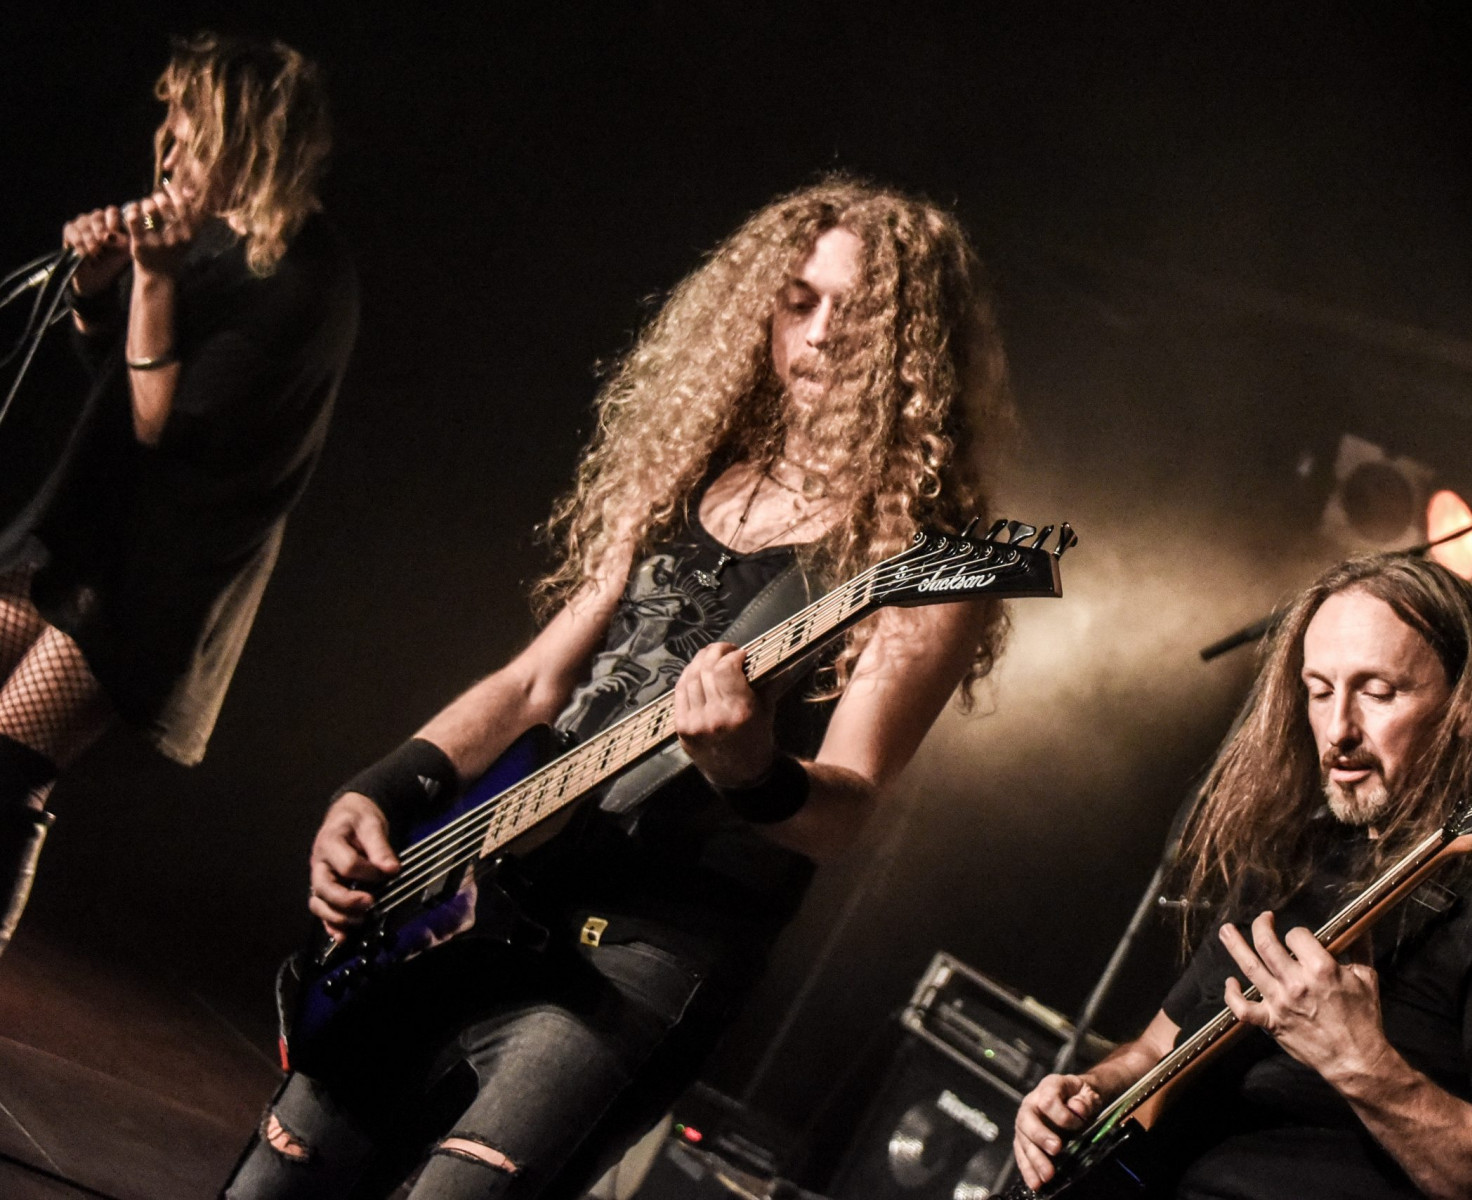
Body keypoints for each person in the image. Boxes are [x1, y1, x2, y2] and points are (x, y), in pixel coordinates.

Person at [221, 178, 1013, 1199]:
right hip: (485, 889)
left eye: (856, 315)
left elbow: (844, 809)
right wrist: (378, 791)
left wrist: (753, 771)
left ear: (912, 347)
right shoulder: (693, 474)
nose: (819, 336)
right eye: (799, 302)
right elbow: (534, 681)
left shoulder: (927, 566)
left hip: (649, 954)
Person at [1014, 554, 1472, 1199]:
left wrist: (1360, 1064)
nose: (1338, 729)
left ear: (1464, 704)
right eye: (1320, 691)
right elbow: (1155, 1050)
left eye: (1377, 692)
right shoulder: (1288, 860)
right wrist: (1087, 1091)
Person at [0, 33, 358, 956]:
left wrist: (152, 279)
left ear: (250, 143)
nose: (168, 153)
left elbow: (165, 425)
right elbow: (116, 381)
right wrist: (96, 290)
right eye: (171, 131)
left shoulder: (304, 278)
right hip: (81, 535)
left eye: (192, 136)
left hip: (156, 576)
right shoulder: (207, 237)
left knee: (8, 766)